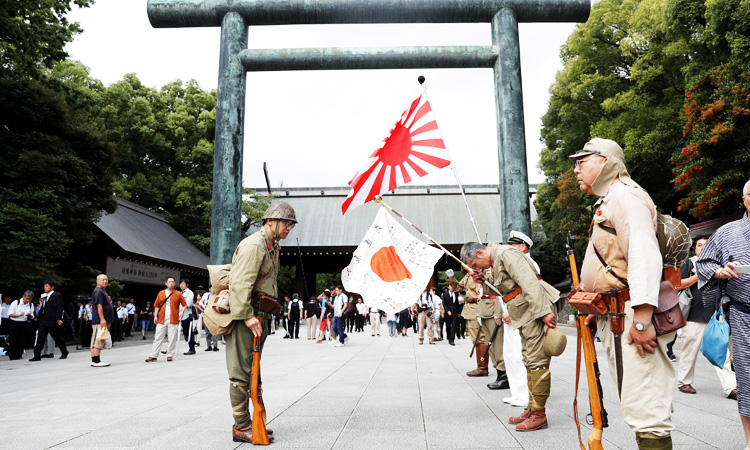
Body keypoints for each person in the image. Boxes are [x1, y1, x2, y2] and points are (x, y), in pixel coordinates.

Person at [571, 138, 675, 449]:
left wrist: (642, 319)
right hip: (615, 313)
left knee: (647, 405)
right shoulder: (611, 200)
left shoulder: (626, 197)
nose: (575, 169)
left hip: (632, 313)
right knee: (634, 398)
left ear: (606, 162)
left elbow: (643, 255)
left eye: (582, 161)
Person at [461, 241, 560, 432]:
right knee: (529, 359)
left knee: (536, 360)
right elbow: (506, 288)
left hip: (533, 311)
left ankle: (539, 414)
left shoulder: (506, 254)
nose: (475, 269)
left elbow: (529, 282)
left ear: (480, 253)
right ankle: (532, 409)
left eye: (474, 265)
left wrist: (543, 312)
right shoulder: (498, 258)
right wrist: (484, 281)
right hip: (524, 312)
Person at [224, 200, 296, 444]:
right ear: (270, 221)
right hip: (247, 317)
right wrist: (246, 315)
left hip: (258, 316)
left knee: (253, 370)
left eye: (291, 224)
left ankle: (253, 420)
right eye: (286, 223)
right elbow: (240, 282)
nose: (289, 227)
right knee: (240, 371)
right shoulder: (254, 245)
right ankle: (241, 426)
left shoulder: (271, 246)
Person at [695, 179, 750, 450]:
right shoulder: (727, 232)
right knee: (748, 381)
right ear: (744, 199)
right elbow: (704, 263)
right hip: (743, 317)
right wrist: (722, 271)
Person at [677, 235, 737, 398]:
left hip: (714, 315)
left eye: (706, 245)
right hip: (693, 315)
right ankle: (684, 381)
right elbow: (678, 284)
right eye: (699, 245)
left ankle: (730, 387)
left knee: (721, 351)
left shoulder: (717, 266)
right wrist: (700, 275)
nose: (702, 248)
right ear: (694, 248)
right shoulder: (689, 263)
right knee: (690, 349)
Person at [449, 271, 488, 376]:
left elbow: (482, 291)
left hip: (477, 307)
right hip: (470, 309)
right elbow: (458, 287)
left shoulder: (480, 273)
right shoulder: (468, 275)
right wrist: (451, 278)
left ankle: (482, 367)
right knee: (476, 337)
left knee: (480, 338)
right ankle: (481, 366)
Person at [145, 277, 186, 362]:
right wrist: (155, 316)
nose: (171, 283)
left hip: (173, 319)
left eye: (172, 282)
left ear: (174, 284)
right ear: (166, 283)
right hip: (161, 318)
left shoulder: (178, 294)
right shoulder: (161, 293)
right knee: (158, 337)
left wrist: (182, 311)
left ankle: (170, 354)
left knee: (172, 338)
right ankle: (153, 355)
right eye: (169, 282)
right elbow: (156, 306)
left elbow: (184, 305)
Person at [30, 280, 68, 361]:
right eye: (44, 286)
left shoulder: (56, 295)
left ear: (52, 287)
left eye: (47, 286)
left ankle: (64, 352)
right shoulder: (45, 296)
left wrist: (58, 318)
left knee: (57, 337)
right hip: (43, 320)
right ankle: (37, 355)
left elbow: (59, 307)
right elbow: (43, 308)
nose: (45, 288)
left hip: (52, 320)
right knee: (40, 337)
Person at [90, 274, 114, 367]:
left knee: (96, 339)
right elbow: (99, 306)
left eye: (106, 279)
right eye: (103, 280)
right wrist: (102, 319)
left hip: (99, 320)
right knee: (99, 339)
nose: (105, 281)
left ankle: (94, 360)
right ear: (97, 281)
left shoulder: (101, 291)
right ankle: (96, 361)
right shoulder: (99, 291)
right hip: (100, 320)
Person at [7, 291, 35, 360]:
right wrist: (19, 315)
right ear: (23, 296)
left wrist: (30, 316)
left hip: (24, 323)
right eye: (27, 298)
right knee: (13, 339)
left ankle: (19, 354)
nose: (28, 300)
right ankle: (12, 355)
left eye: (30, 299)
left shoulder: (31, 305)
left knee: (22, 339)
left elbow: (32, 315)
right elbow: (10, 314)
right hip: (14, 323)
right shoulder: (16, 303)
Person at [180, 279, 197, 355]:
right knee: (185, 333)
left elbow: (189, 304)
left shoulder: (190, 293)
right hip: (180, 315)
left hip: (187, 315)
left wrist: (181, 309)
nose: (181, 285)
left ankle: (192, 349)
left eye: (183, 284)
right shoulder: (180, 293)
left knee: (189, 332)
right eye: (181, 283)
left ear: (187, 285)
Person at [200, 287, 219, 351]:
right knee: (207, 331)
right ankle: (209, 346)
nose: (213, 290)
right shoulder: (206, 295)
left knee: (215, 331)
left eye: (214, 288)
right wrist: (204, 306)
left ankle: (215, 346)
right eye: (212, 288)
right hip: (206, 314)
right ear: (209, 289)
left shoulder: (217, 296)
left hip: (214, 315)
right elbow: (200, 302)